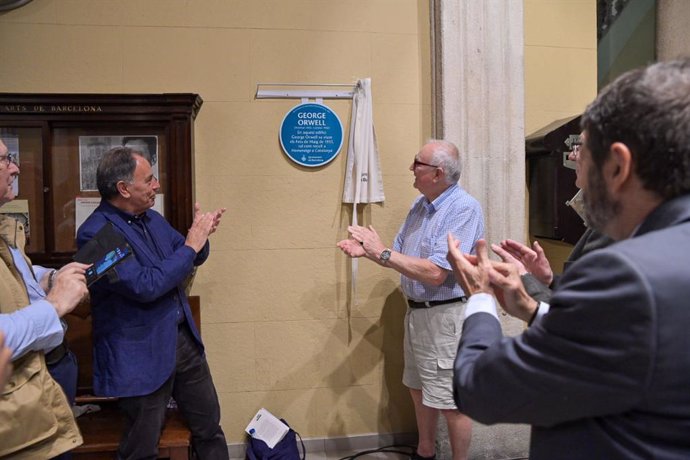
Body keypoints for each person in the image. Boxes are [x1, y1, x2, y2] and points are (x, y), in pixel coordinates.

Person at [447, 58, 690, 459]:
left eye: (582, 153)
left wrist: (479, 297)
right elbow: (637, 350)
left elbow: (481, 389)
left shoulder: (626, 273)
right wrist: (531, 306)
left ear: (618, 165)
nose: (575, 164)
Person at [76, 146, 228, 460]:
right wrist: (190, 246)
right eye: (149, 180)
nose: (156, 186)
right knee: (141, 447)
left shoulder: (152, 219)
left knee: (209, 428)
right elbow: (146, 285)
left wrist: (200, 237)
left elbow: (189, 254)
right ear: (123, 188)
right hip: (139, 355)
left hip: (182, 342)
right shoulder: (93, 235)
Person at [337, 140, 484, 460]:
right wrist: (371, 253)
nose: (411, 168)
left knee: (451, 402)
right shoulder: (419, 206)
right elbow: (398, 257)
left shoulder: (463, 208)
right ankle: (425, 452)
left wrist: (384, 253)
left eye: (418, 163)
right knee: (417, 389)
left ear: (438, 173)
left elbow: (436, 274)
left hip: (447, 317)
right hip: (417, 315)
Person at [0, 138, 90, 458]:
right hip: (17, 400)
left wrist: (49, 277)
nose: (15, 167)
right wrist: (54, 304)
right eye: (4, 159)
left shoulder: (4, 227)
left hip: (49, 373)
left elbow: (17, 274)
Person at [492, 138, 613, 303]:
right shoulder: (609, 216)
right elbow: (585, 290)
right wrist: (549, 281)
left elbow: (581, 312)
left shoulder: (618, 225)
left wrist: (525, 281)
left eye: (579, 147)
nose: (571, 156)